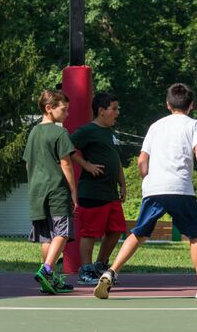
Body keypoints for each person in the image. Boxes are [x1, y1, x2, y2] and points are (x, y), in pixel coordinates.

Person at [93, 83, 197, 300]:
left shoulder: (155, 126)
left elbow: (142, 160)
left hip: (154, 188)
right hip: (180, 188)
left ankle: (111, 271)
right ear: (191, 105)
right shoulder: (195, 125)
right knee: (194, 236)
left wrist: (148, 180)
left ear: (168, 104)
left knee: (139, 233)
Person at [23, 89, 78, 294]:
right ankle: (47, 270)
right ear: (49, 108)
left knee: (47, 236)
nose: (67, 113)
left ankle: (49, 279)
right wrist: (73, 191)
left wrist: (35, 184)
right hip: (56, 190)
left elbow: (28, 164)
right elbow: (66, 164)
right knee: (62, 232)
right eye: (64, 109)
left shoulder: (34, 132)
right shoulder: (60, 132)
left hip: (37, 191)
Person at [70, 92, 127, 285]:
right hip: (92, 192)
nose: (117, 113)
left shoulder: (110, 133)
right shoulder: (87, 130)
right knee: (90, 233)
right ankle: (85, 270)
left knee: (117, 228)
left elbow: (116, 160)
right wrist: (86, 165)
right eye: (114, 109)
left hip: (110, 193)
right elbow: (67, 148)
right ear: (101, 111)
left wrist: (123, 184)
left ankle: (100, 266)